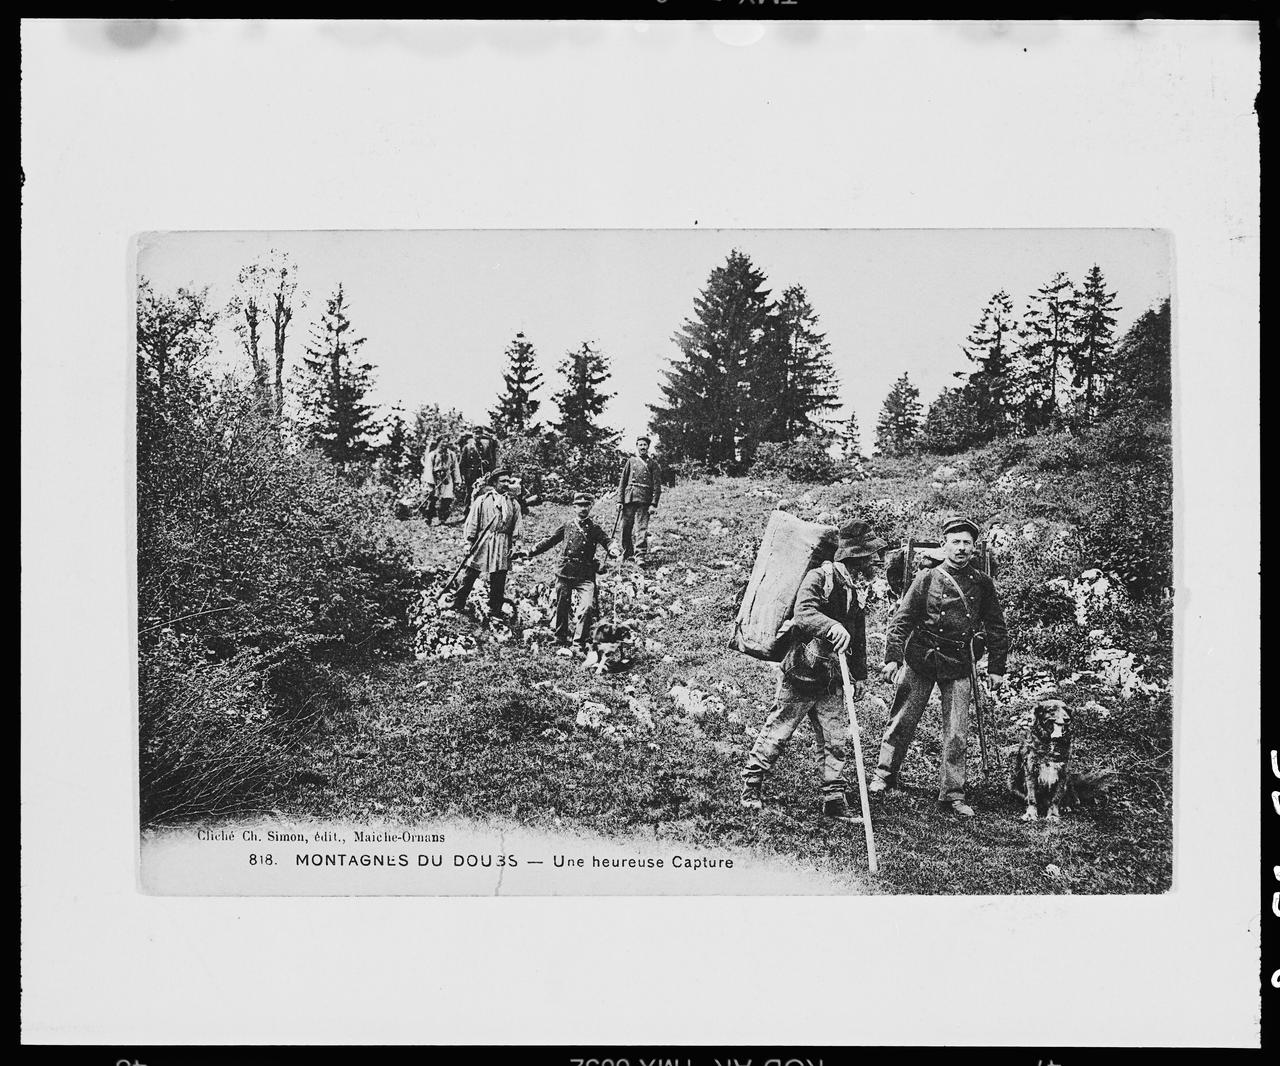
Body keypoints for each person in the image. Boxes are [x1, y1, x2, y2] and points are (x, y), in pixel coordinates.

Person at [740, 520, 886, 821]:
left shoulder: (856, 588)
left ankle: (833, 799)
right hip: (802, 673)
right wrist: (831, 626)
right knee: (779, 731)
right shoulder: (820, 577)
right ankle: (751, 784)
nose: (876, 560)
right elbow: (804, 613)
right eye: (871, 554)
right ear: (855, 555)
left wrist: (860, 676)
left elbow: (858, 635)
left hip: (833, 678)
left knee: (835, 739)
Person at [869, 515, 1010, 817]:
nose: (961, 548)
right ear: (944, 545)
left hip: (959, 661)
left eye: (967, 543)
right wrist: (893, 657)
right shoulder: (927, 578)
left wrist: (997, 667)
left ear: (974, 548)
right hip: (921, 656)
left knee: (957, 731)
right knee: (902, 719)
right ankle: (884, 774)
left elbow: (996, 626)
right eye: (955, 542)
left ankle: (953, 793)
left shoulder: (982, 583)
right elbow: (902, 620)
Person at [525, 492, 617, 648]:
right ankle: (560, 637)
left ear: (590, 507)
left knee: (587, 607)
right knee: (562, 605)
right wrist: (530, 551)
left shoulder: (594, 528)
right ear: (574, 507)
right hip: (565, 572)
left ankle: (578, 641)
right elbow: (550, 541)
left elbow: (606, 540)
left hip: (585, 574)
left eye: (586, 505)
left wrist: (612, 548)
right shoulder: (567, 526)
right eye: (579, 505)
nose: (583, 508)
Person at [451, 471, 522, 618]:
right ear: (494, 483)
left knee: (499, 577)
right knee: (471, 572)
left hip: (502, 542)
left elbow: (517, 526)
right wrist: (468, 542)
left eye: (508, 481)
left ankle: (495, 609)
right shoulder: (482, 500)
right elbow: (472, 522)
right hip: (483, 540)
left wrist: (516, 545)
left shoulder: (513, 503)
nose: (506, 484)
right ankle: (458, 603)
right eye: (502, 481)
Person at [616, 435, 663, 561]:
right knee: (625, 527)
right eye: (640, 445)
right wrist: (620, 500)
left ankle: (640, 555)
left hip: (644, 500)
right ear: (637, 446)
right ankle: (627, 552)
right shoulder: (630, 462)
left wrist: (653, 504)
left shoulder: (653, 464)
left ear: (648, 447)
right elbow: (622, 482)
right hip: (629, 498)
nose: (643, 447)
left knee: (641, 528)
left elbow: (657, 486)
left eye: (645, 445)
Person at [423, 438, 463, 524]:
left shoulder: (452, 455)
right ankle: (428, 517)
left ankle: (442, 518)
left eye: (446, 442)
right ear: (438, 443)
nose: (444, 444)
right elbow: (428, 468)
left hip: (447, 478)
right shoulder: (432, 454)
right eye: (443, 442)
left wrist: (457, 481)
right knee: (432, 498)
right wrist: (430, 482)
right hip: (435, 478)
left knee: (447, 499)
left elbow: (456, 468)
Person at [457, 432, 483, 507]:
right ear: (473, 435)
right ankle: (466, 511)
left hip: (480, 474)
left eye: (480, 433)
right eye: (476, 434)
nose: (478, 436)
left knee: (480, 493)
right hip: (470, 475)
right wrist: (462, 476)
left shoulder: (483, 447)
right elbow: (462, 463)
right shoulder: (467, 447)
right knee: (469, 493)